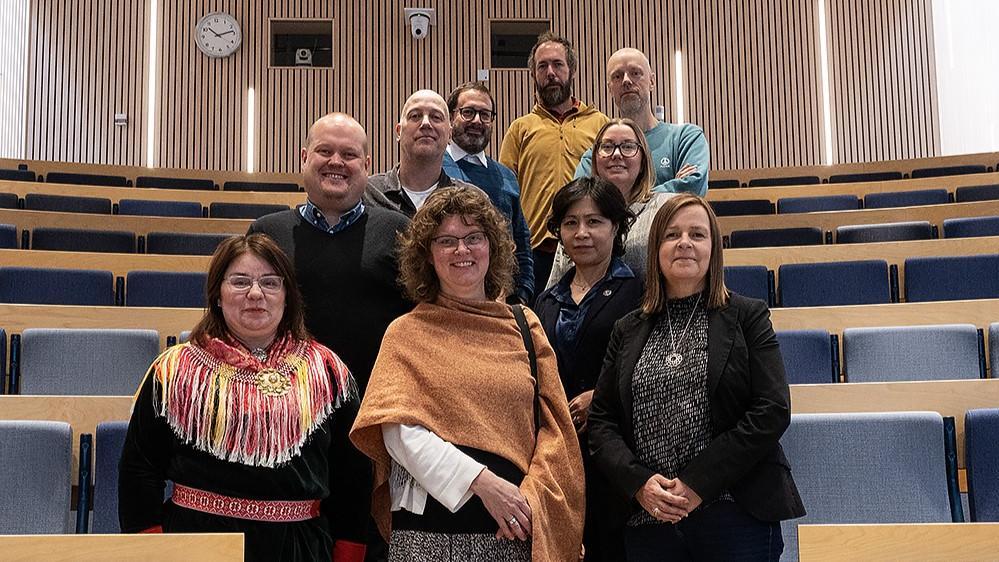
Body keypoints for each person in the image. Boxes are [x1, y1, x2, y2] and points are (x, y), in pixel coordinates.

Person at [350, 186, 585, 562]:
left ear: (492, 247)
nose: (462, 250)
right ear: (427, 254)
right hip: (428, 538)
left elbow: (555, 429)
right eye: (447, 241)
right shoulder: (406, 332)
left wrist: (530, 497)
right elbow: (395, 430)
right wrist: (481, 482)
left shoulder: (526, 326)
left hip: (513, 529)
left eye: (474, 237)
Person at [118, 234, 369, 562]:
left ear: (287, 296)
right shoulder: (174, 371)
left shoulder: (328, 373)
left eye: (270, 282)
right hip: (197, 546)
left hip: (298, 549)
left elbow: (353, 479)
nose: (255, 293)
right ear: (218, 295)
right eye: (240, 282)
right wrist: (151, 553)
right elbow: (140, 470)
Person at [588, 194, 805, 561]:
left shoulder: (747, 316)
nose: (684, 242)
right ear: (656, 249)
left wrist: (697, 483)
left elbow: (772, 409)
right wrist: (639, 484)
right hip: (649, 518)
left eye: (697, 234)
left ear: (713, 249)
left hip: (735, 511)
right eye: (672, 234)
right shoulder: (627, 329)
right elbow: (602, 421)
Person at [248, 112, 411, 394]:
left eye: (349, 154)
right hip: (286, 402)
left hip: (375, 405)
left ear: (367, 165)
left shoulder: (398, 230)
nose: (336, 162)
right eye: (324, 151)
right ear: (304, 157)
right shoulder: (266, 233)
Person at [534, 177, 643, 561]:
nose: (582, 233)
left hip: (620, 454)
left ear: (616, 226)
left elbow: (656, 364)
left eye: (594, 221)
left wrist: (602, 394)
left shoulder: (643, 292)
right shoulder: (545, 301)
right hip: (558, 455)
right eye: (570, 223)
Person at [500, 32, 609, 297]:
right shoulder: (520, 129)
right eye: (542, 66)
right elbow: (504, 195)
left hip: (590, 249)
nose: (551, 72)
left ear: (571, 70)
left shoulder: (600, 124)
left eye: (558, 64)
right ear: (533, 75)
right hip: (534, 254)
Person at [547, 118, 675, 289]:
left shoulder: (666, 208)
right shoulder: (577, 212)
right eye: (607, 147)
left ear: (643, 160)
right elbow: (558, 280)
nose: (616, 154)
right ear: (595, 159)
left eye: (628, 146)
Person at [442, 81, 535, 304]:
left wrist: (523, 293)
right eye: (468, 112)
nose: (477, 120)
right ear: (450, 118)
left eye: (485, 114)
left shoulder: (507, 176)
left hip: (503, 304)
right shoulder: (435, 169)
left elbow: (521, 241)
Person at [574, 48, 709, 197]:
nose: (626, 80)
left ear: (652, 81)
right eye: (617, 76)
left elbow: (692, 189)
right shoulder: (598, 153)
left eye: (635, 73)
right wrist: (671, 188)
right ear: (610, 89)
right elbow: (582, 200)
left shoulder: (686, 139)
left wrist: (616, 202)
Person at [366, 90, 478, 217]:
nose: (426, 123)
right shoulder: (366, 194)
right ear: (399, 132)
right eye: (415, 116)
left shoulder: (472, 201)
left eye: (436, 117)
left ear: (449, 134)